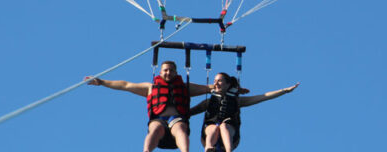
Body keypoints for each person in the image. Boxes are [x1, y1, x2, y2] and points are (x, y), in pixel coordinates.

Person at [86, 61, 225, 152]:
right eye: (165, 70)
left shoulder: (185, 87)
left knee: (180, 129)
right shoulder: (150, 87)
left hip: (177, 119)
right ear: (160, 72)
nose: (168, 73)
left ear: (176, 73)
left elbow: (209, 88)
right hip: (158, 119)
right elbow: (125, 85)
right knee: (155, 129)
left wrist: (232, 88)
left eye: (171, 70)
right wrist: (102, 82)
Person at [190, 72, 299, 152]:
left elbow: (263, 97)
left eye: (219, 81)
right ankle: (208, 149)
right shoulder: (208, 101)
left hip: (231, 135)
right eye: (214, 81)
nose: (216, 84)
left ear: (228, 85)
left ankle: (229, 150)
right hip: (208, 135)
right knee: (213, 127)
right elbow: (190, 112)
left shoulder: (237, 101)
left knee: (223, 126)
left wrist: (284, 91)